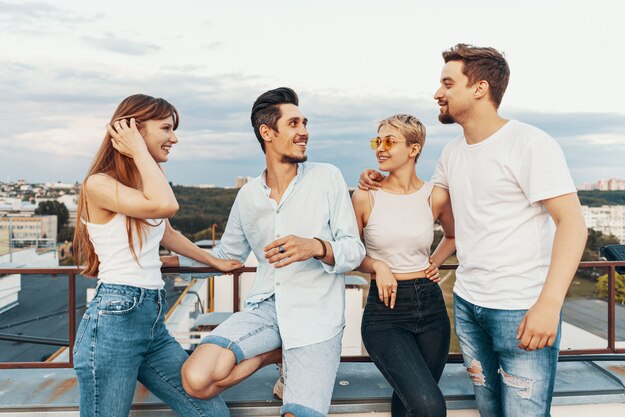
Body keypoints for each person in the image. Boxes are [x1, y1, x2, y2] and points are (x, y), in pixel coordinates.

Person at [359, 44, 587, 417]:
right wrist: (376, 178)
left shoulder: (530, 143)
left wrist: (549, 304)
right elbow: (418, 205)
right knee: (489, 411)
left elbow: (573, 225)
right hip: (468, 307)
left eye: (447, 83)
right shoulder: (452, 152)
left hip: (521, 309)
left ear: (479, 88)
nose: (438, 93)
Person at [177, 87, 365, 417]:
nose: (304, 131)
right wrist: (168, 258)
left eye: (305, 123)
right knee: (196, 379)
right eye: (294, 123)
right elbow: (225, 254)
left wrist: (316, 247)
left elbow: (354, 250)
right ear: (267, 132)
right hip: (266, 310)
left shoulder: (328, 178)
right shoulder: (248, 196)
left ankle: (289, 353)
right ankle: (276, 353)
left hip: (315, 319)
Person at [72, 94, 243, 417]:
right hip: (114, 320)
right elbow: (166, 206)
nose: (174, 138)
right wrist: (138, 150)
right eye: (166, 128)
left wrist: (214, 261)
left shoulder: (146, 183)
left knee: (211, 412)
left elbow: (166, 231)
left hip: (151, 322)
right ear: (133, 129)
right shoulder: (99, 184)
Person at [352, 114, 455, 417]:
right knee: (429, 407)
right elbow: (349, 253)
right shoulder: (364, 196)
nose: (380, 148)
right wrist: (378, 266)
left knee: (408, 405)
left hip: (432, 308)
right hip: (385, 314)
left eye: (389, 141)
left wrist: (435, 261)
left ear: (414, 149)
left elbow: (452, 235)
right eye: (377, 141)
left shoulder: (434, 195)